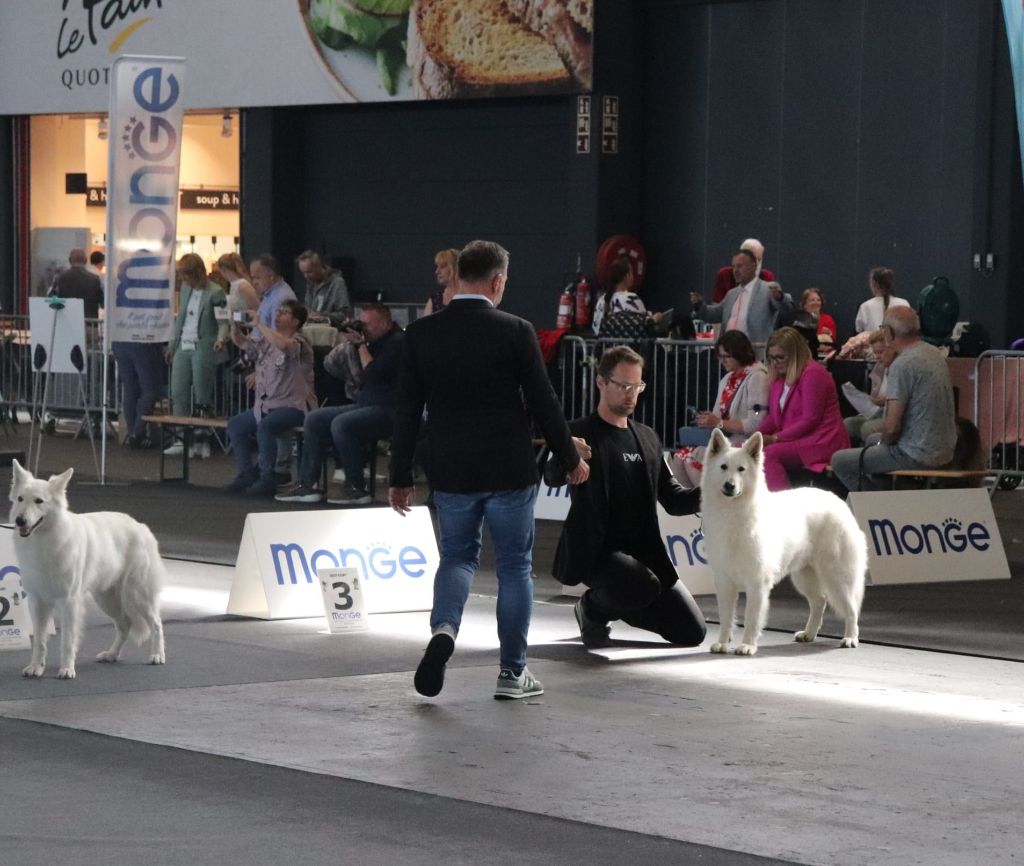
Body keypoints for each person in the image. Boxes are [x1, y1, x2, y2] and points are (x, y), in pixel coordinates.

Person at [388, 240, 588, 701]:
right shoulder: (516, 331)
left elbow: (406, 411)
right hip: (508, 469)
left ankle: (444, 629)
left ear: (458, 276)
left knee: (457, 558)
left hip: (452, 469)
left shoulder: (421, 334)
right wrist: (570, 458)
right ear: (497, 281)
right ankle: (512, 673)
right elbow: (543, 403)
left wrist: (399, 476)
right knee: (515, 568)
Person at [545, 345, 707, 649]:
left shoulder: (647, 437)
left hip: (645, 554)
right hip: (597, 552)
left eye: (637, 386)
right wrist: (568, 456)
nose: (631, 394)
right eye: (623, 386)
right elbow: (550, 477)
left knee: (692, 632)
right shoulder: (578, 433)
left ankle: (624, 600)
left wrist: (714, 493)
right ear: (601, 382)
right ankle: (592, 609)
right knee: (639, 585)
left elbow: (673, 499)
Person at [276, 304, 404, 505]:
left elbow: (373, 374)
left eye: (367, 324)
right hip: (367, 404)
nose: (363, 328)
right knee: (315, 418)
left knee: (342, 424)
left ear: (384, 323)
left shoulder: (398, 342)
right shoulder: (373, 341)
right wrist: (354, 345)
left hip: (391, 409)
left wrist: (361, 346)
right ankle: (308, 485)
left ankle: (356, 488)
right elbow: (339, 367)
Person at [831, 307, 956, 493]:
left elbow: (891, 428)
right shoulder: (934, 353)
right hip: (944, 449)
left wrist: (884, 443)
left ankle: (877, 504)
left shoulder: (902, 364)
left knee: (839, 461)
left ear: (889, 333)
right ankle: (887, 495)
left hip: (915, 453)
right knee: (872, 439)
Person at [226, 299, 315, 496]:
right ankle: (247, 473)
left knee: (267, 426)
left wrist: (259, 324)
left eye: (284, 312)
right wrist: (234, 325)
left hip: (294, 406)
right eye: (278, 311)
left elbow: (284, 345)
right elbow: (242, 343)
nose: (278, 315)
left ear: (295, 321)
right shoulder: (267, 342)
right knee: (236, 425)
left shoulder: (300, 342)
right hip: (267, 405)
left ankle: (268, 477)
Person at [672, 329, 770, 487]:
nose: (722, 361)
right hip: (725, 440)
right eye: (720, 356)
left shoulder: (758, 377)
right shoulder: (727, 379)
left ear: (740, 354)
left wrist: (718, 422)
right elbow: (718, 416)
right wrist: (709, 420)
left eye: (727, 356)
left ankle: (710, 499)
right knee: (679, 458)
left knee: (690, 459)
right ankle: (695, 500)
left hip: (743, 442)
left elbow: (755, 423)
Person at [757, 326, 849, 490]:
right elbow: (774, 417)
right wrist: (755, 437)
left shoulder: (814, 374)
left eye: (780, 357)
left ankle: (782, 502)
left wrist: (776, 438)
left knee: (768, 455)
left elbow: (810, 420)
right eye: (771, 358)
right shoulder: (779, 378)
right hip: (797, 439)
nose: (776, 363)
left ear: (795, 355)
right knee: (742, 449)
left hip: (822, 441)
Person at [163, 254, 228, 457]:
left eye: (187, 275)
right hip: (184, 344)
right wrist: (172, 345)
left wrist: (221, 339)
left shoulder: (216, 292)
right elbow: (181, 317)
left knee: (202, 395)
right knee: (178, 392)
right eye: (182, 275)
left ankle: (202, 440)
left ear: (198, 272)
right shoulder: (185, 288)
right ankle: (181, 439)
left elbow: (223, 321)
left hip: (204, 346)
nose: (184, 279)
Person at [690, 249, 792, 348]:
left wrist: (780, 298)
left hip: (755, 352)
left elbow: (787, 309)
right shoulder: (731, 294)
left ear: (753, 266)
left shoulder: (768, 288)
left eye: (739, 266)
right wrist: (699, 305)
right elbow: (714, 315)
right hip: (729, 352)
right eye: (733, 267)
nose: (735, 271)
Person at [843, 329, 896, 446]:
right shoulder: (879, 368)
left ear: (892, 348)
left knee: (867, 428)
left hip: (892, 416)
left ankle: (868, 455)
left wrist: (885, 401)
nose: (877, 357)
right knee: (847, 423)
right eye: (875, 353)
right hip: (878, 412)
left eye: (880, 352)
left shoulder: (899, 369)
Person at [592, 256, 665, 335]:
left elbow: (596, 328)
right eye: (632, 273)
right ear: (627, 276)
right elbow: (645, 325)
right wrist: (656, 318)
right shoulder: (630, 298)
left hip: (603, 343)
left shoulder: (601, 301)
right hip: (627, 342)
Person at [711, 237, 776, 303]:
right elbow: (718, 305)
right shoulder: (725, 275)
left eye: (759, 260)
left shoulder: (766, 277)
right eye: (752, 259)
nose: (756, 264)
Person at [296, 250, 350, 326]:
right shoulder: (310, 282)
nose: (306, 276)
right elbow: (307, 309)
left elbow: (344, 315)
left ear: (319, 267)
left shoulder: (337, 283)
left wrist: (321, 316)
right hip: (312, 329)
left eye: (309, 272)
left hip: (331, 330)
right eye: (303, 273)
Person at [50, 248, 104, 319]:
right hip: (89, 323)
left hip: (67, 322)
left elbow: (51, 300)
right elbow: (103, 303)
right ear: (85, 260)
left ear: (70, 260)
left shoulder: (60, 278)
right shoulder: (96, 280)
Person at [854, 267, 909, 334]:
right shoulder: (904, 303)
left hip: (873, 340)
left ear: (874, 284)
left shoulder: (865, 306)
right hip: (900, 340)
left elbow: (859, 330)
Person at [217, 252, 259, 321]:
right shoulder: (233, 285)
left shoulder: (243, 286)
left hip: (246, 326)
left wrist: (230, 315)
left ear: (223, 270)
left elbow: (258, 311)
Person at [423, 248, 459, 315]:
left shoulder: (471, 297)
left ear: (454, 268)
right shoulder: (434, 301)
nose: (437, 271)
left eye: (442, 266)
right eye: (437, 266)